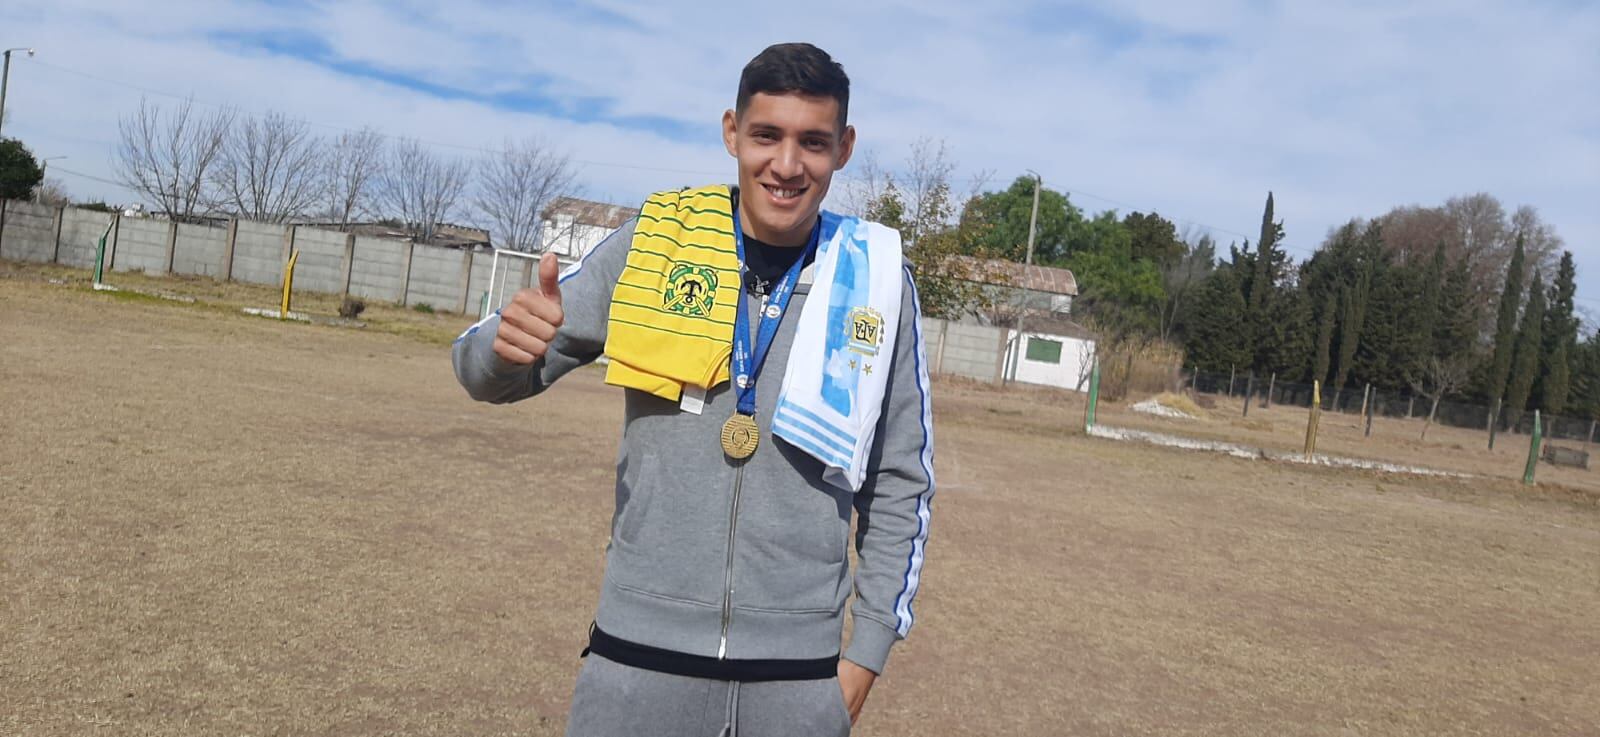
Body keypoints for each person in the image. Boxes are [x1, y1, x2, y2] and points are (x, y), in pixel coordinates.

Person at [453, 42, 934, 737]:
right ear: (732, 132)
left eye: (814, 142)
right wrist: (501, 351)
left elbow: (900, 481)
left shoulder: (877, 280)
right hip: (637, 660)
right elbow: (485, 374)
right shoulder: (657, 245)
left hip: (797, 681)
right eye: (767, 135)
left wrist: (863, 657)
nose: (788, 164)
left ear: (845, 147)